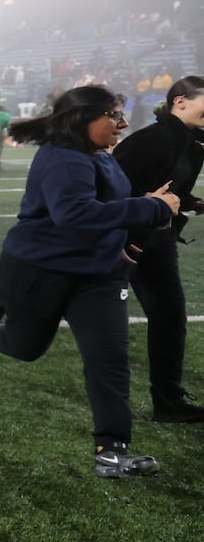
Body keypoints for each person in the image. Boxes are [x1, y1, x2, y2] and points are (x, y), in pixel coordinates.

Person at [0, 87, 176, 477]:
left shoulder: (97, 155)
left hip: (100, 275)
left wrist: (132, 227)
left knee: (109, 358)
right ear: (81, 119)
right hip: (43, 268)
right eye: (113, 115)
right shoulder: (62, 158)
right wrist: (152, 208)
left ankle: (111, 450)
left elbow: (102, 205)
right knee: (24, 347)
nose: (122, 123)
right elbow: (74, 212)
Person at [111, 76, 204, 422]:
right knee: (62, 302)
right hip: (122, 239)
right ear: (180, 101)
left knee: (169, 317)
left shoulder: (190, 140)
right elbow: (108, 187)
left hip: (157, 240)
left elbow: (168, 182)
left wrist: (191, 201)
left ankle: (168, 402)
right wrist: (141, 206)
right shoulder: (150, 139)